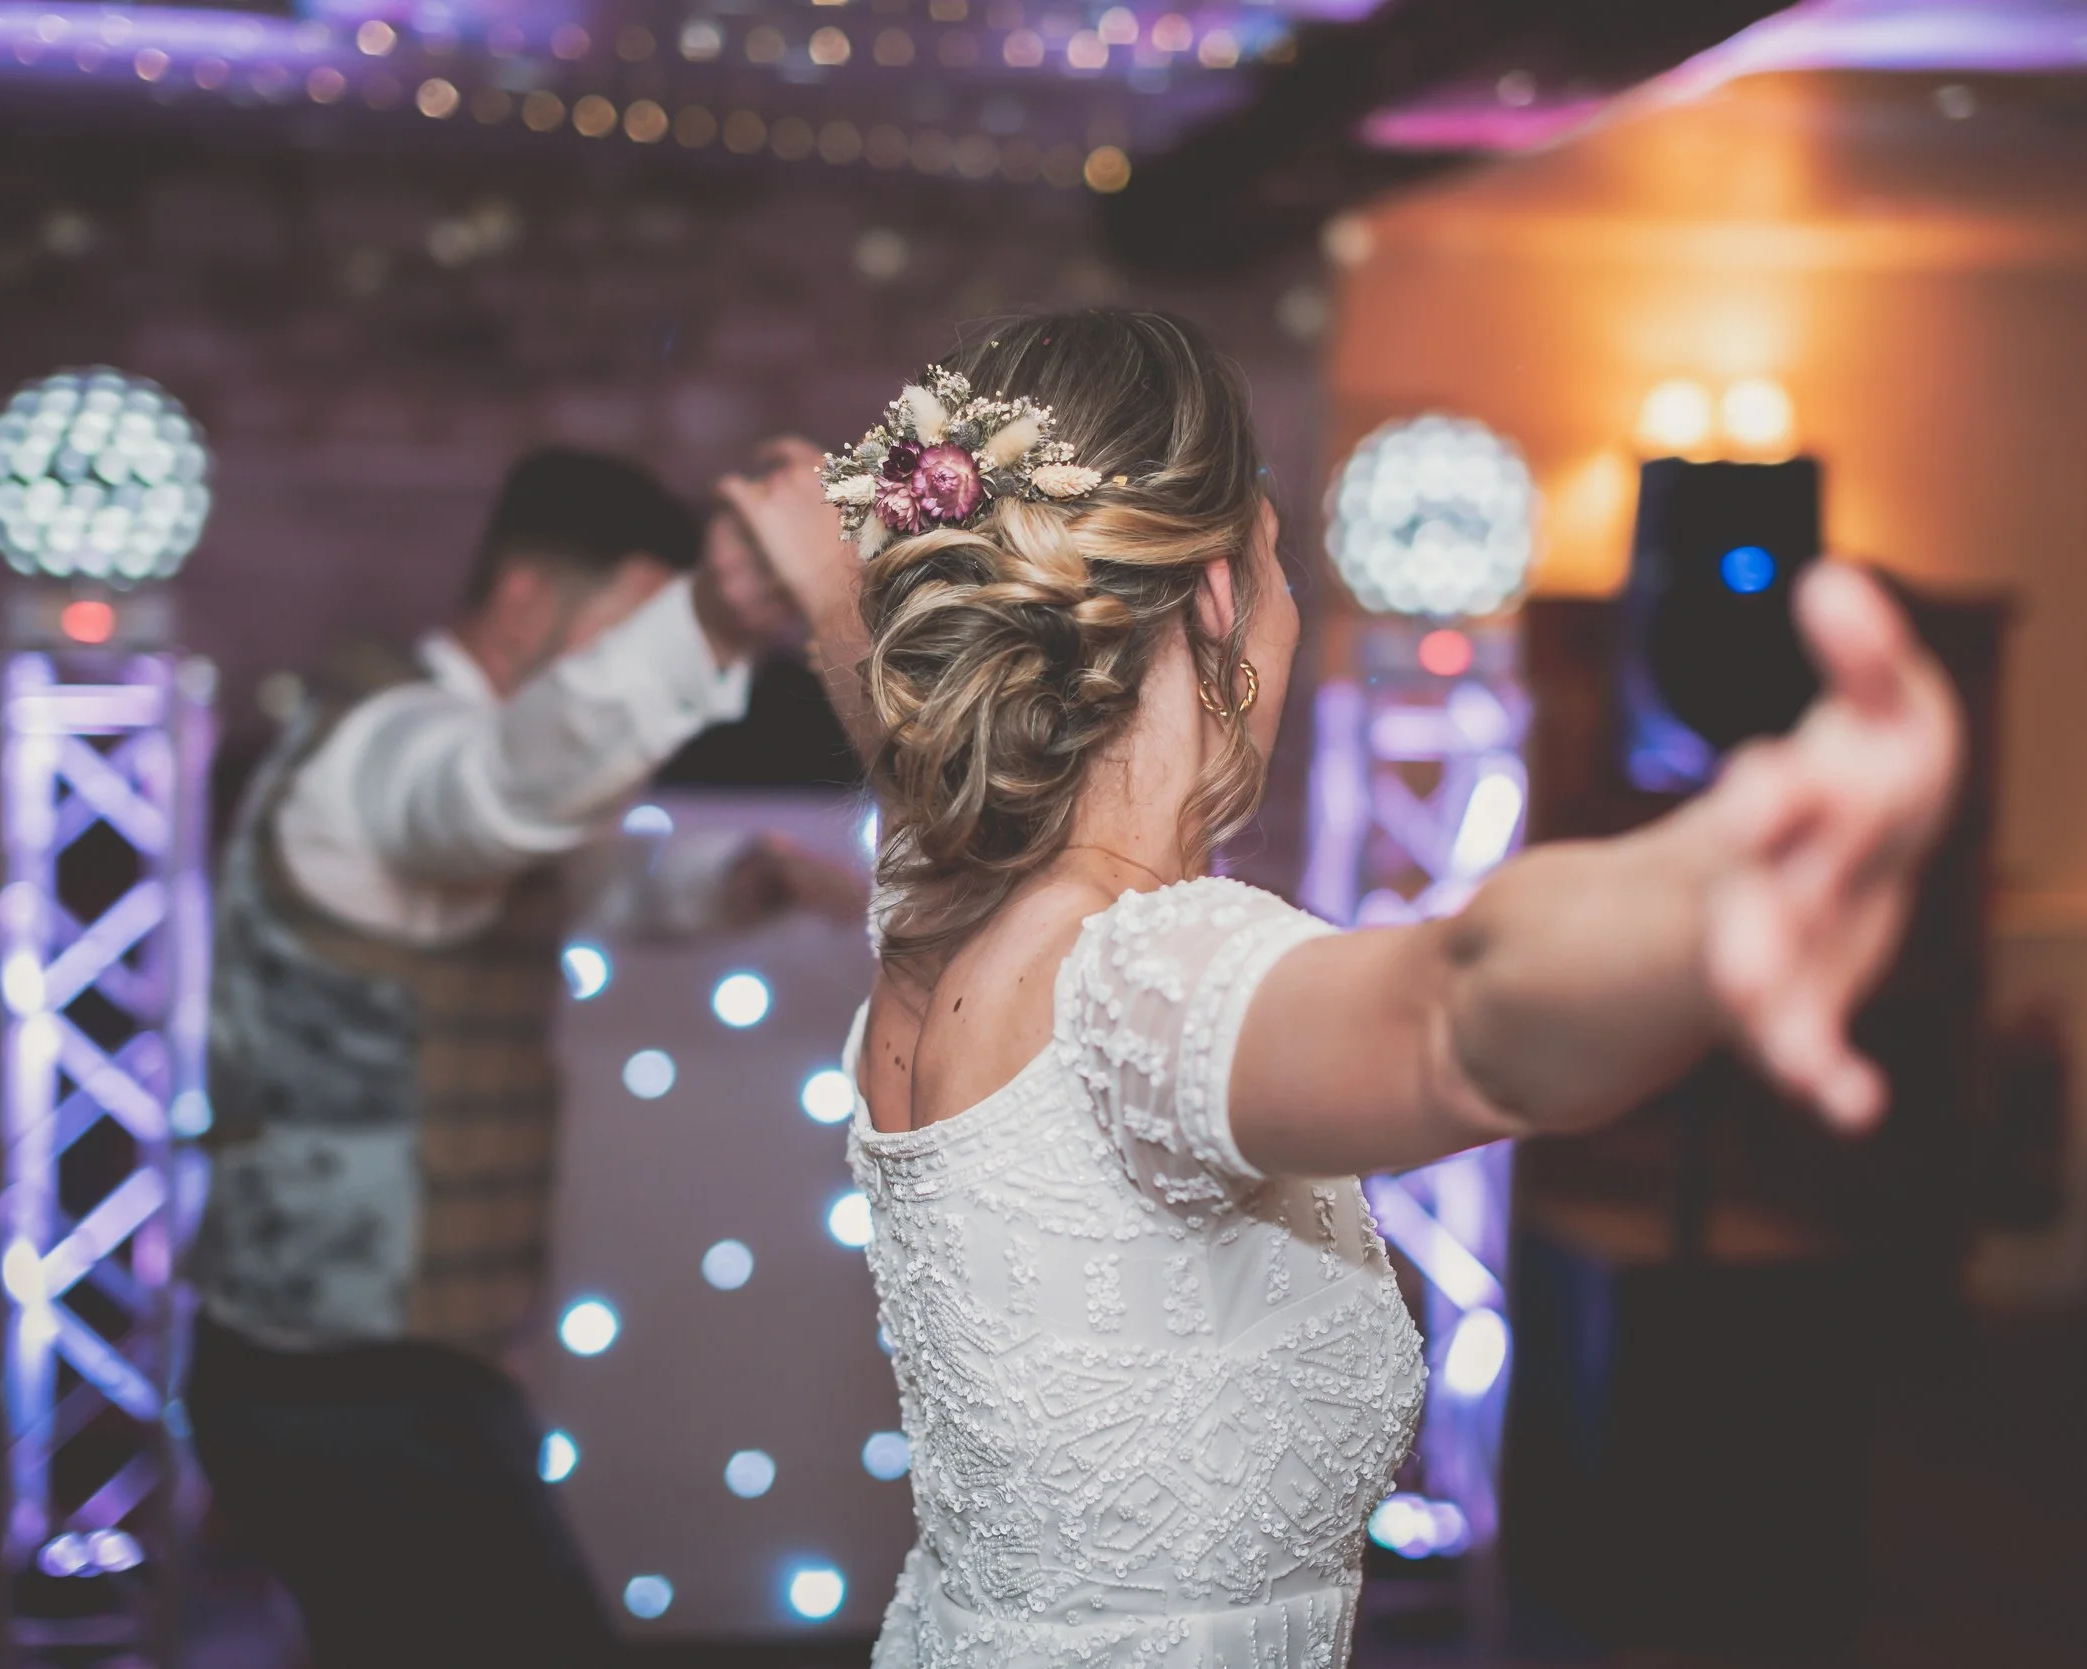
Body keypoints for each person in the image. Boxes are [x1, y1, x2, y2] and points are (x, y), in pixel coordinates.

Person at [716, 310, 1960, 1666]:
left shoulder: (938, 917)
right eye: (1278, 561)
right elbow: (1455, 1013)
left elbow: (913, 762)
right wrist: (1713, 887)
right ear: (1214, 597)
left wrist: (841, 601)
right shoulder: (1140, 969)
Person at [188, 446, 860, 1669]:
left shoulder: (466, 773)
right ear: (521, 599)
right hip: (332, 1383)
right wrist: (708, 616)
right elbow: (497, 797)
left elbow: (592, 882)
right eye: (623, 634)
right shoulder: (387, 751)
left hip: (398, 1375)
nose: (641, 674)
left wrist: (749, 878)